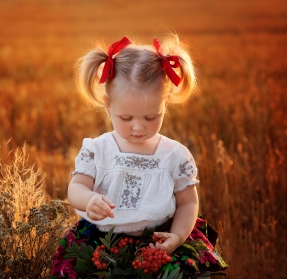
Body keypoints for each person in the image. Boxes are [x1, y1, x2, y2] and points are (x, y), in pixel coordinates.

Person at [50, 35, 228, 279]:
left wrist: (176, 237)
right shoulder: (97, 149)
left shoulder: (174, 156)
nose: (138, 127)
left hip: (159, 243)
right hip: (102, 244)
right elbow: (77, 187)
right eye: (126, 118)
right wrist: (88, 199)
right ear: (108, 106)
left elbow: (188, 203)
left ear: (165, 104)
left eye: (150, 117)